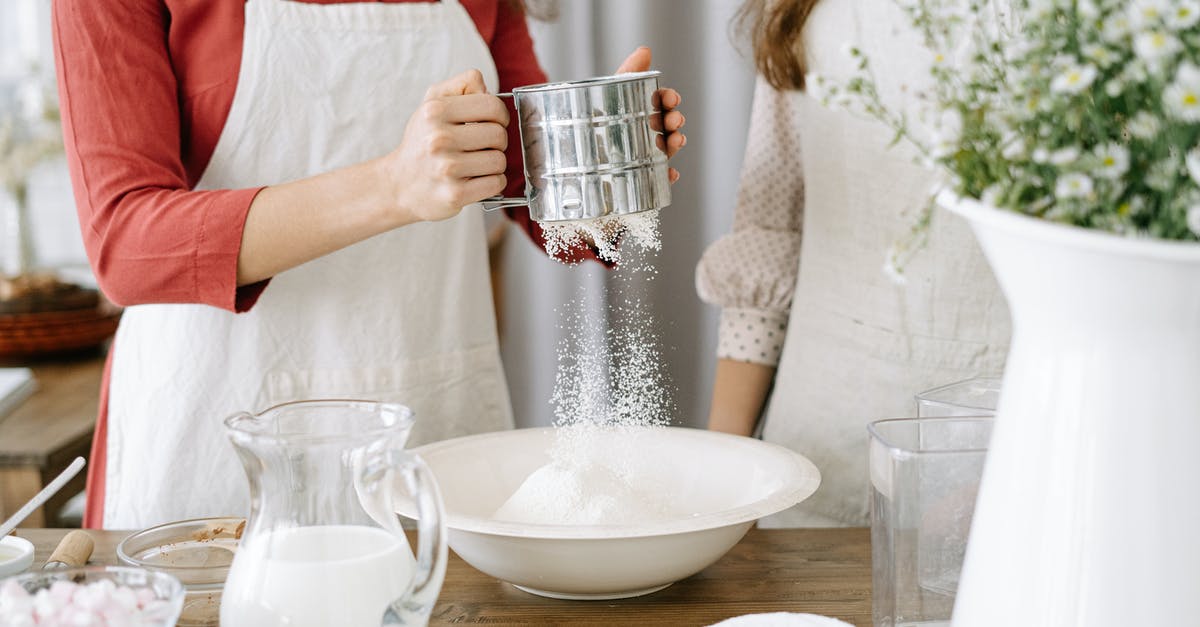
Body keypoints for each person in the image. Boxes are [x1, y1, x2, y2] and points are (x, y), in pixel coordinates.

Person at [51, 0, 686, 529]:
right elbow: (126, 243)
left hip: (430, 428)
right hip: (220, 441)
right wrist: (392, 187)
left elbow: (545, 197)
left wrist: (611, 160)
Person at [696, 0, 1009, 526]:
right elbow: (771, 236)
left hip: (1006, 446)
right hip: (820, 459)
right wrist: (717, 481)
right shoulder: (796, 8)